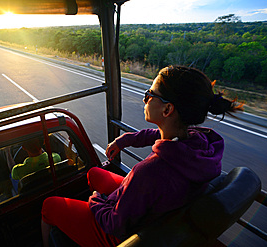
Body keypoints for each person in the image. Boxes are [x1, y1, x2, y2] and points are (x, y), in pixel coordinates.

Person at [41, 65, 243, 247]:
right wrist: (124, 140)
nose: (144, 98)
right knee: (94, 172)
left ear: (167, 109)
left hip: (124, 234)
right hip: (161, 211)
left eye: (149, 94)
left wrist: (96, 201)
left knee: (49, 205)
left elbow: (115, 224)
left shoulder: (148, 172)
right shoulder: (200, 143)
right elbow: (157, 135)